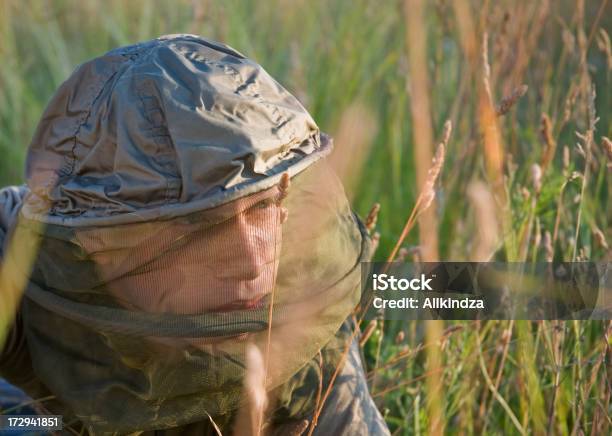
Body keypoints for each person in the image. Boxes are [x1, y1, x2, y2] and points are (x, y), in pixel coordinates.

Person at [0, 34, 390, 435]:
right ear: (100, 245)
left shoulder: (306, 298)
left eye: (261, 206)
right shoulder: (24, 263)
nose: (252, 263)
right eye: (201, 226)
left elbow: (439, 289)